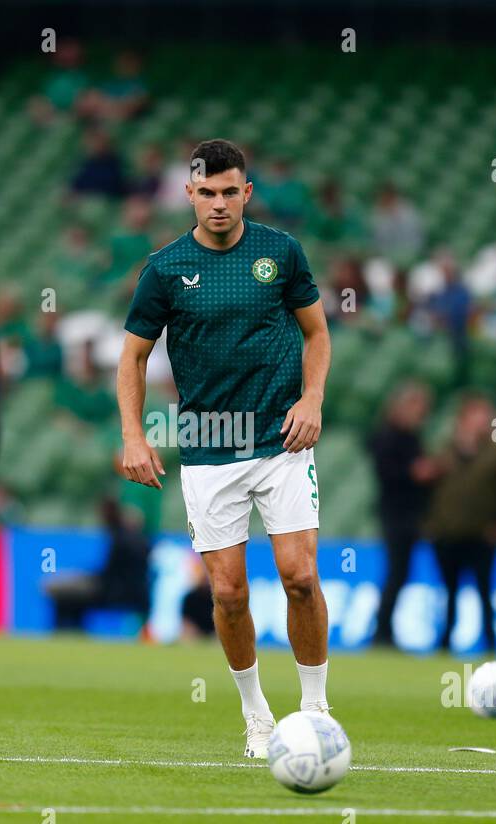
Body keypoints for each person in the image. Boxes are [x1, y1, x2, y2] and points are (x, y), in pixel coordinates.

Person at [117, 139, 331, 759]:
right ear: (189, 194)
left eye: (228, 191)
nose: (217, 203)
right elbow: (132, 356)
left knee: (299, 575)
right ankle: (256, 713)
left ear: (247, 192)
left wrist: (311, 399)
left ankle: (315, 707)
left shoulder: (280, 252)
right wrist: (134, 435)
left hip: (281, 438)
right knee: (229, 593)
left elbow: (317, 333)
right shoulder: (163, 269)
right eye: (206, 192)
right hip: (209, 447)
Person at [425, 395, 496, 653]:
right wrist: (431, 524)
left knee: (484, 591)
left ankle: (490, 642)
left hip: (482, 534)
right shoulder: (444, 450)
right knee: (449, 591)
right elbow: (428, 489)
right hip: (447, 533)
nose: (481, 423)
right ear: (463, 420)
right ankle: (445, 641)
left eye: (484, 417)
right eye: (476, 417)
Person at [368, 383, 437, 646]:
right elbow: (387, 473)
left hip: (408, 515)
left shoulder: (411, 437)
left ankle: (384, 630)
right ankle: (382, 631)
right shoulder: (389, 437)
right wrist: (414, 473)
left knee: (400, 574)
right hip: (396, 515)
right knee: (396, 573)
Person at [44, 499, 152, 631]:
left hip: (116, 593)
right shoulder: (143, 542)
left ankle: (66, 633)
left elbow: (110, 574)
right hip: (135, 593)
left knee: (64, 597)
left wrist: (88, 577)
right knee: (70, 594)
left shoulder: (121, 540)